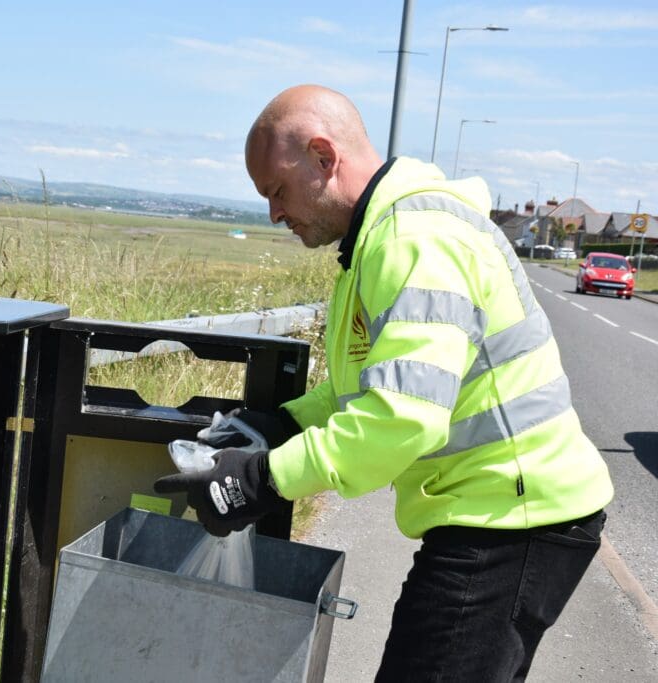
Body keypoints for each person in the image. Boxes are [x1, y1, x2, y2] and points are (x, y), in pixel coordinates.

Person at [155, 84, 613, 681]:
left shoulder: (413, 240)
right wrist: (284, 423)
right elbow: (370, 386)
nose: (273, 213)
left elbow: (405, 416)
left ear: (324, 156)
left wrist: (261, 481)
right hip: (500, 513)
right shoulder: (377, 239)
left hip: (513, 520)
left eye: (277, 191)